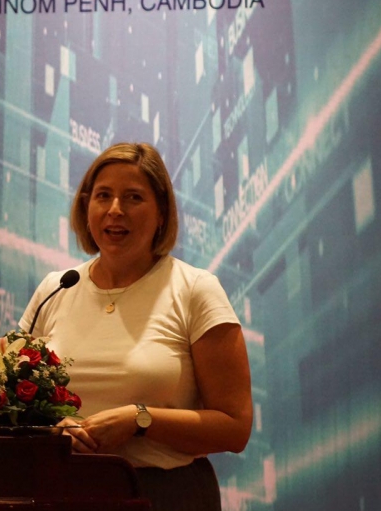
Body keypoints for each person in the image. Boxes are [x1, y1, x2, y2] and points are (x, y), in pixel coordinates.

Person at [19, 142, 252, 511]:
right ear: (86, 206)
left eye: (133, 197)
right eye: (103, 195)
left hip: (164, 495)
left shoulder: (195, 289)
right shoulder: (56, 288)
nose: (115, 209)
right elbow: (16, 405)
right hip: (61, 490)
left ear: (161, 213)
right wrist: (54, 429)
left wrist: (140, 419)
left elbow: (235, 428)